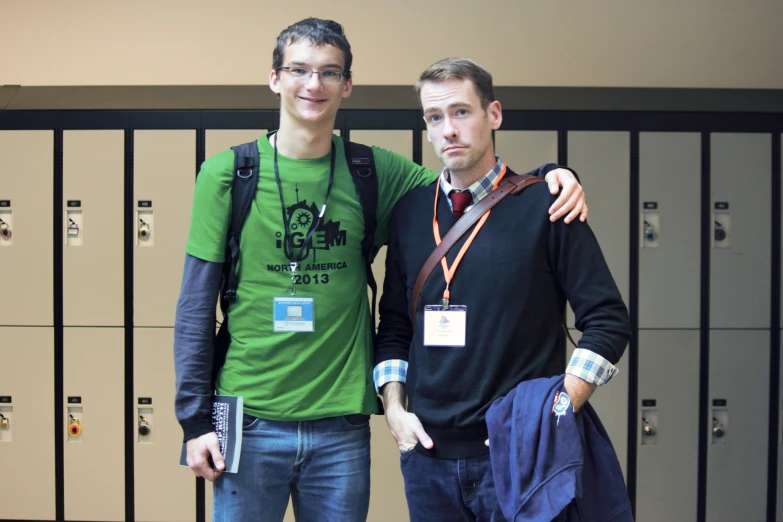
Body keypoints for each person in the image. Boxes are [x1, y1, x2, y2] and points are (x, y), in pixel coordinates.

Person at [174, 19, 587, 522]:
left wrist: (551, 178)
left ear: (347, 85)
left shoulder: (375, 172)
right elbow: (196, 307)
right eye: (299, 70)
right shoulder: (227, 173)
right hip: (251, 418)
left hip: (342, 426)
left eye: (330, 73)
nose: (313, 85)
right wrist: (195, 421)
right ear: (274, 78)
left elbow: (476, 187)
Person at [374, 57, 631, 521]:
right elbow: (393, 325)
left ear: (493, 114)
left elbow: (608, 320)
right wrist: (394, 407)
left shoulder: (546, 205)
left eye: (461, 112)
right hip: (427, 458)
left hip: (519, 455)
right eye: (435, 118)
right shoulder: (411, 212)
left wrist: (556, 409)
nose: (448, 129)